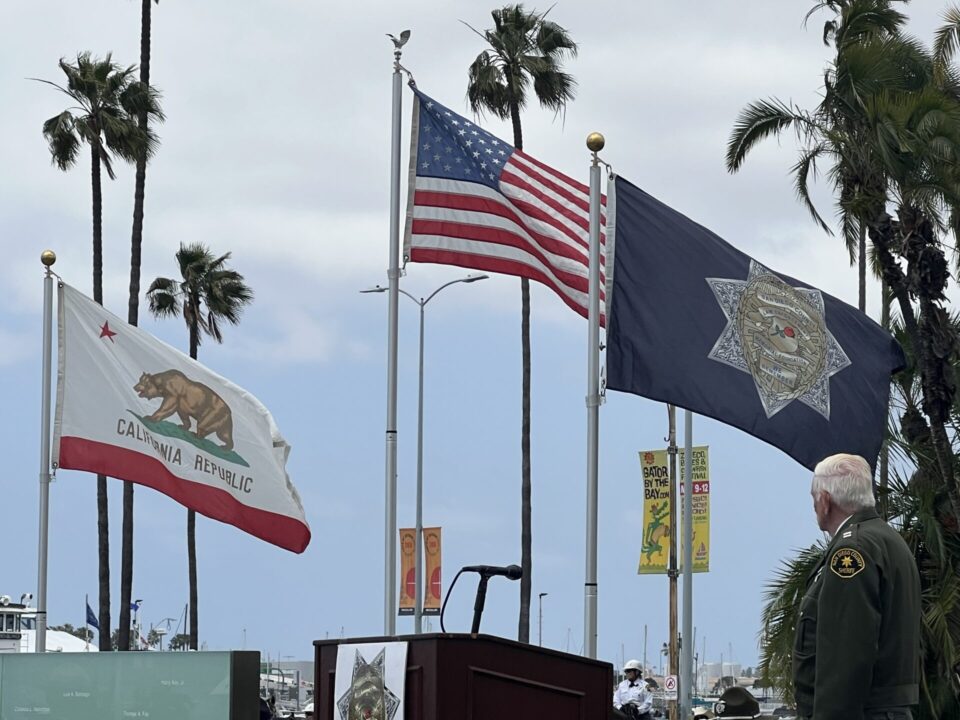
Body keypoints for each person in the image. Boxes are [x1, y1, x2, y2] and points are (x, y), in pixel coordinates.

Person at [793, 453, 921, 720]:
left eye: (813, 498)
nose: (814, 506)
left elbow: (846, 656)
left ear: (825, 501)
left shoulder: (851, 551)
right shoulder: (887, 540)